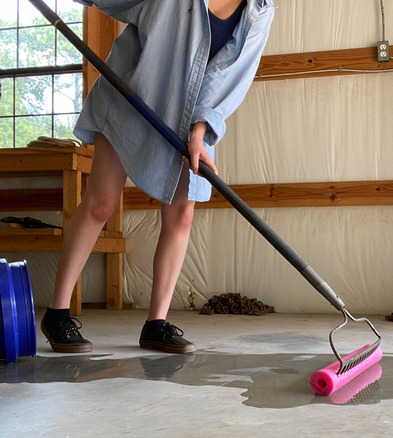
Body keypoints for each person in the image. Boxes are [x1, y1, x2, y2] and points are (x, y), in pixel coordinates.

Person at [40, 0, 276, 354]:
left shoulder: (260, 11)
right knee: (101, 203)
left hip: (189, 121)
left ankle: (156, 324)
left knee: (182, 214)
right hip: (133, 97)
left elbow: (232, 73)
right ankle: (56, 314)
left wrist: (201, 130)